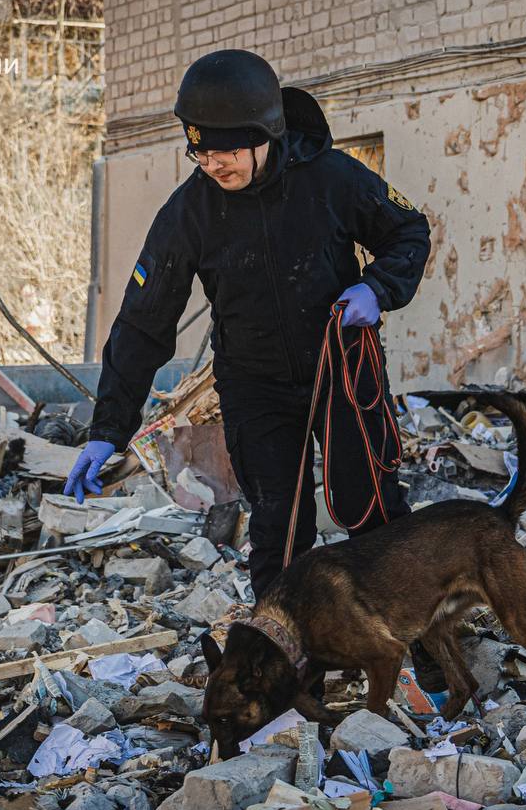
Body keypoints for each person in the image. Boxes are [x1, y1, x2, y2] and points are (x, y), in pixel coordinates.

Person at [65, 49, 432, 608]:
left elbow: (407, 232)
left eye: (228, 150)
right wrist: (107, 427)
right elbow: (143, 323)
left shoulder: (332, 178)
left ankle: (421, 651)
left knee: (371, 509)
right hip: (254, 386)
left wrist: (376, 288)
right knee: (278, 529)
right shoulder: (189, 212)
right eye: (200, 151)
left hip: (342, 373)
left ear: (266, 134)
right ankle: (287, 668)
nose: (214, 164)